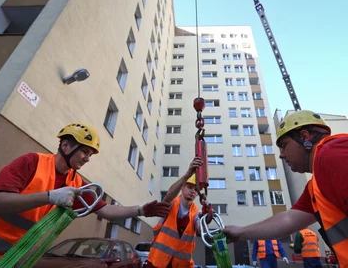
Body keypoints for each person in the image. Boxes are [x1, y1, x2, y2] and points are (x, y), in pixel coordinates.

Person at [0, 123, 170, 266]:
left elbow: (105, 211)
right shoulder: (31, 162)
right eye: (84, 151)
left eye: (90, 154)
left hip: (12, 255)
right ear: (65, 145)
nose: (87, 158)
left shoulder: (76, 183)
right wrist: (50, 196)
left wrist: (140, 210)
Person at [221, 110, 348, 266]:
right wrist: (240, 232)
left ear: (304, 137)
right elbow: (288, 219)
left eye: (284, 146)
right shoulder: (315, 186)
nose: (281, 155)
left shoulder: (334, 153)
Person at [146, 157, 203, 268]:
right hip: (158, 263)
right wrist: (188, 174)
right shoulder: (172, 203)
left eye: (196, 189)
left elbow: (200, 231)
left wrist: (206, 219)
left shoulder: (196, 212)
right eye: (189, 187)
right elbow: (168, 196)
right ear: (182, 188)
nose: (192, 191)